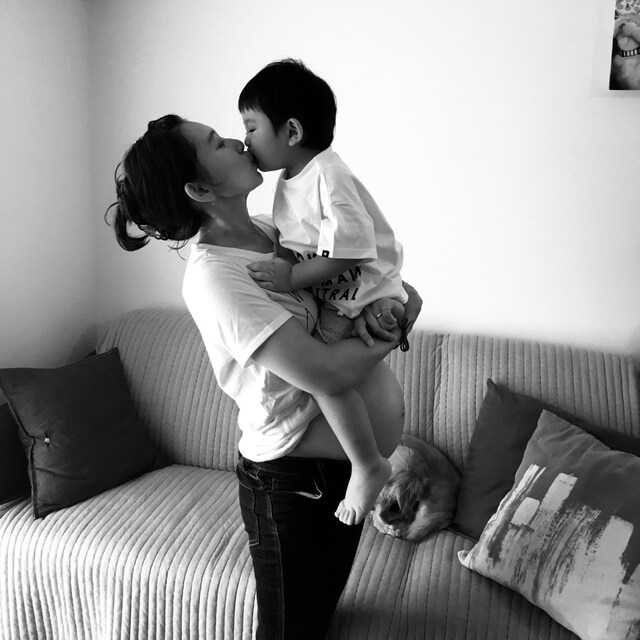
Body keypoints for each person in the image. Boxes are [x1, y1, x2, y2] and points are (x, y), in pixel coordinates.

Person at [106, 114, 421, 640]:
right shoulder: (215, 277)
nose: (237, 140)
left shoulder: (272, 232)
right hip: (294, 484)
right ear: (200, 189)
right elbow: (324, 371)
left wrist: (388, 309)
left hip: (342, 476)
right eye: (217, 143)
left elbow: (355, 293)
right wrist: (398, 328)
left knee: (321, 615)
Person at [239, 58, 409, 526]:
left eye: (251, 127)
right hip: (342, 296)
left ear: (292, 131)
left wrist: (292, 278)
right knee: (319, 367)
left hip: (366, 292)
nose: (245, 140)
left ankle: (367, 464)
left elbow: (349, 252)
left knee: (322, 373)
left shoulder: (328, 175)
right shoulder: (290, 179)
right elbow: (296, 239)